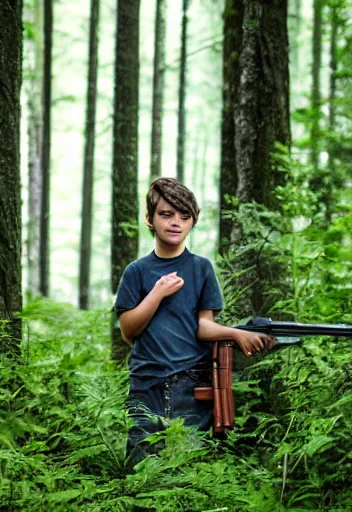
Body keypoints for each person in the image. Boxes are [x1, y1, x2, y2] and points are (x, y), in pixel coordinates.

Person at [115, 177, 276, 471]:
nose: (176, 222)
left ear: (192, 222)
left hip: (191, 384)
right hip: (145, 383)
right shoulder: (136, 272)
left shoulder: (201, 268)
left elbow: (205, 326)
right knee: (141, 469)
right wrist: (157, 293)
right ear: (149, 219)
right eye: (166, 214)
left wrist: (238, 334)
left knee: (189, 468)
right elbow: (128, 331)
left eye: (184, 216)